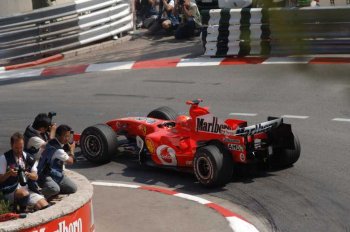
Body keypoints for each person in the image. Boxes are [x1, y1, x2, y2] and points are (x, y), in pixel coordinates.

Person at [0, 133, 48, 212]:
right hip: (10, 190)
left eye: (21, 148)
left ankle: (29, 208)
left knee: (44, 205)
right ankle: (21, 211)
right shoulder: (4, 158)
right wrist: (9, 173)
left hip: (28, 188)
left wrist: (28, 174)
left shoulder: (28, 157)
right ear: (11, 145)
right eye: (16, 148)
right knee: (24, 194)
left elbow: (35, 176)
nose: (19, 150)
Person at [37, 125, 77, 199]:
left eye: (68, 136)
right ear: (58, 136)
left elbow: (51, 137)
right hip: (44, 174)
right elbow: (70, 161)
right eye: (65, 136)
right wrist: (72, 150)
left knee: (73, 188)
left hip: (54, 173)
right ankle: (38, 194)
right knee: (55, 189)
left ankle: (52, 190)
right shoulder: (58, 150)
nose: (67, 139)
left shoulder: (52, 141)